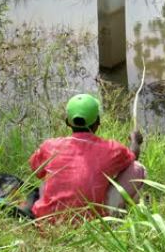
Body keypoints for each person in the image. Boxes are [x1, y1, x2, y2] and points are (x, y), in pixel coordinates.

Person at [27, 93, 146, 222]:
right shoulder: (110, 149)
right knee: (137, 168)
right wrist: (135, 140)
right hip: (93, 221)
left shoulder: (50, 146)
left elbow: (36, 170)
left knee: (48, 174)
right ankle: (119, 213)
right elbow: (133, 155)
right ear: (98, 121)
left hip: (47, 220)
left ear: (67, 122)